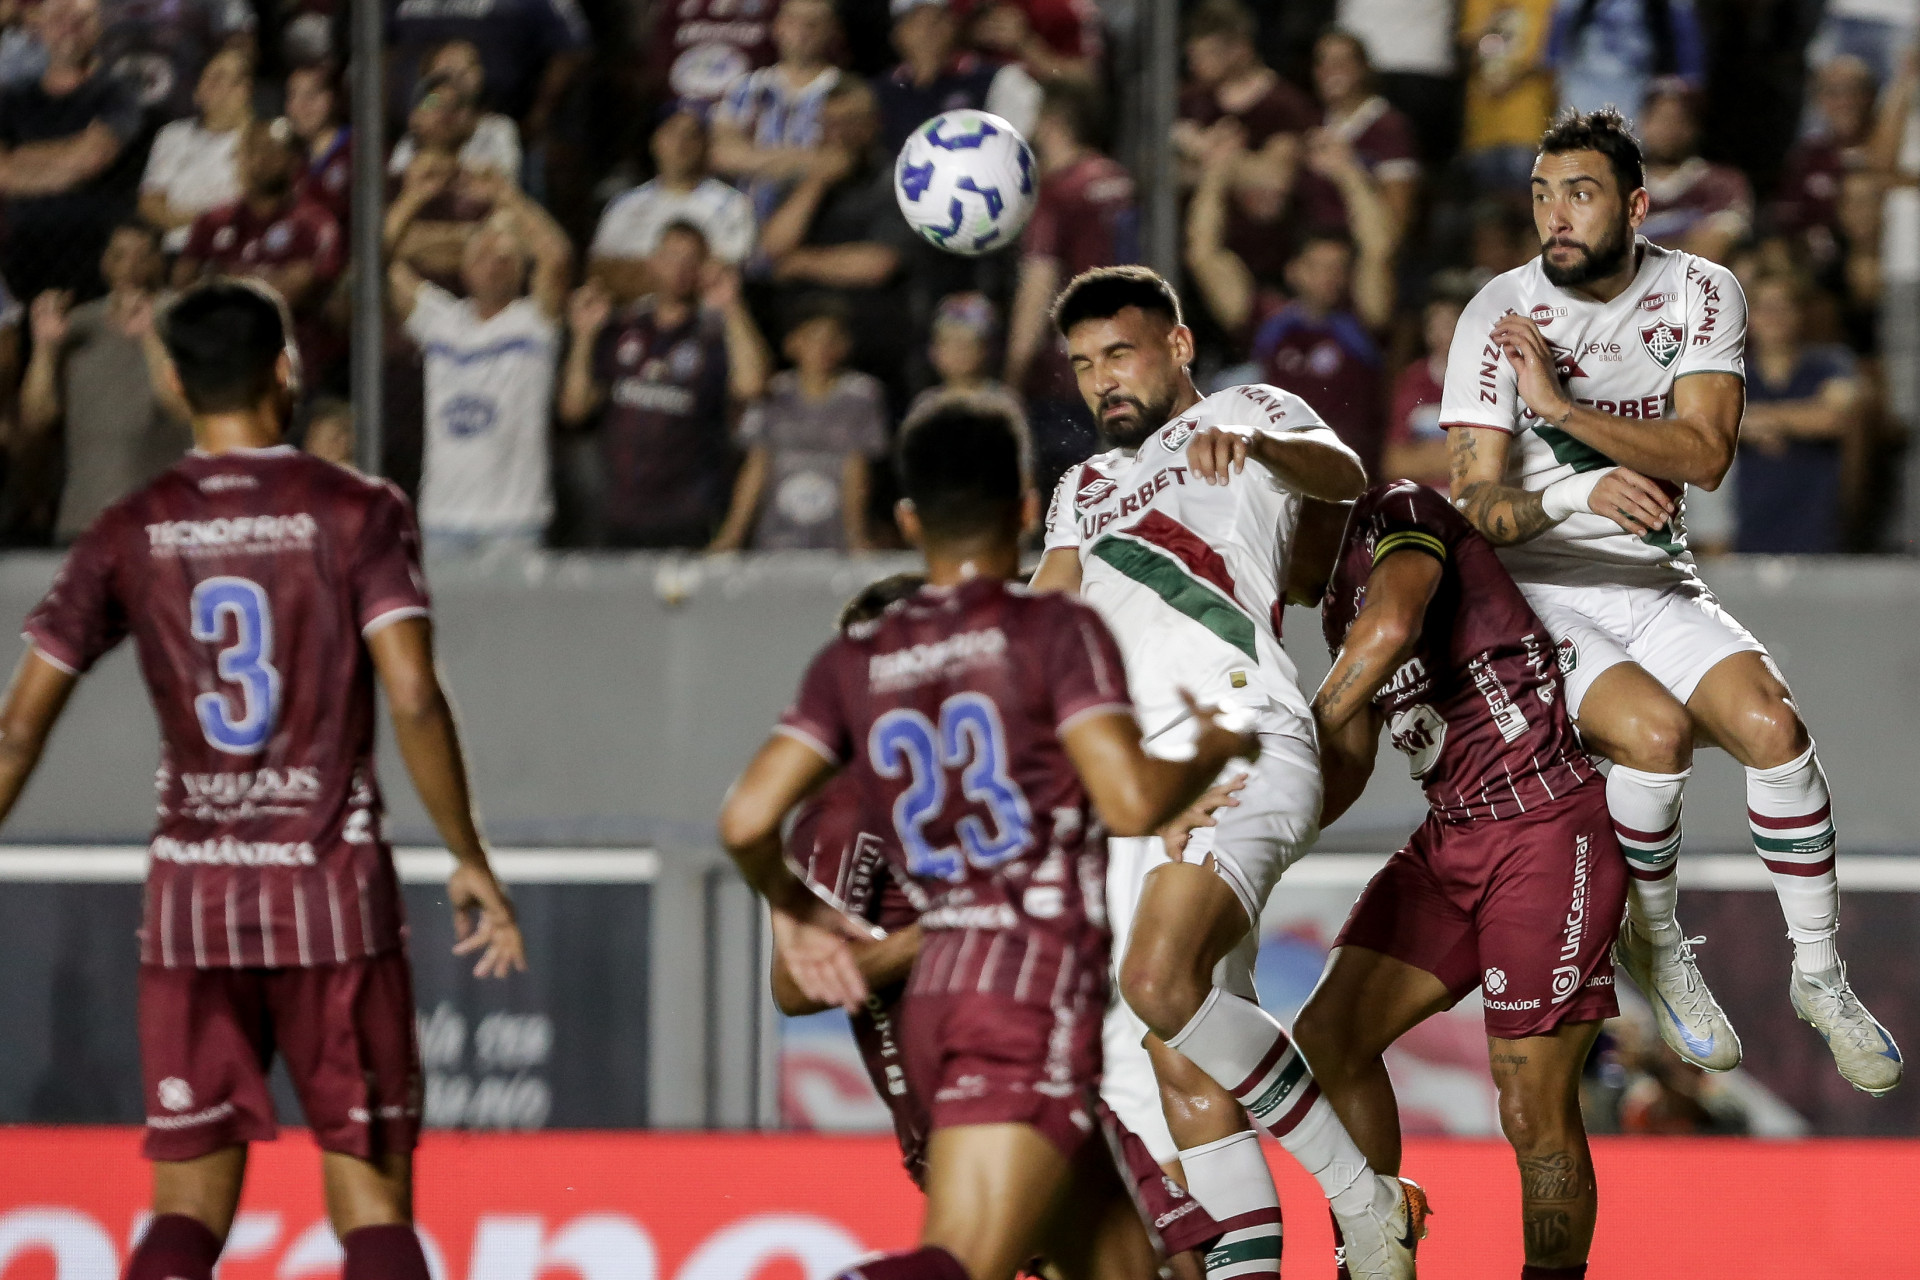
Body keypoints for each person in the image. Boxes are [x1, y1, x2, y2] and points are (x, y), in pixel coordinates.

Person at [0, 278, 525, 1280]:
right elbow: (413, 695)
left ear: (169, 381)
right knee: (372, 1202)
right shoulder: (357, 509)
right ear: (286, 370)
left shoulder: (128, 527)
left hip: (192, 903)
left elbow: (18, 726)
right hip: (332, 893)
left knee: (186, 1207)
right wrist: (468, 853)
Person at [718, 393, 1260, 1280]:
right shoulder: (1049, 628)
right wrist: (1212, 746)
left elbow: (744, 820)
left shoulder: (855, 664)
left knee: (1150, 1267)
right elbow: (1128, 799)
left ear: (907, 519)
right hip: (1025, 988)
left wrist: (792, 909)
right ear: (1023, 507)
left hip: (945, 1007)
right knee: (966, 1263)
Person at [1439, 108, 1900, 1095]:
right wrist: (1575, 492)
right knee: (1654, 735)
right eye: (1542, 194)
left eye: (1580, 193)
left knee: (1774, 727)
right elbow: (1472, 503)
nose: (1556, 215)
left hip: (1655, 577)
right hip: (1538, 595)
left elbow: (1705, 451)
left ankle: (1820, 978)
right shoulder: (1497, 311)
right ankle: (1657, 944)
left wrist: (1560, 409)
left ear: (1638, 206)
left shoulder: (1700, 289)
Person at [1027, 266, 1426, 1280]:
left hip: (1241, 736)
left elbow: (1344, 474)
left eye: (1120, 353)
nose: (1101, 379)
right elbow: (1042, 615)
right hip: (1145, 791)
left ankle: (1365, 1198)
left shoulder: (1250, 411)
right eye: (1083, 364)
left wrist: (1258, 444)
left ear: (1177, 346)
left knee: (1160, 981)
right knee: (1180, 1054)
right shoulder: (1082, 488)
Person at [1292, 480, 1627, 1280]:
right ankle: (1376, 1250)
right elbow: (1348, 763)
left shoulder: (1396, 511)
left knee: (1531, 1106)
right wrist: (1263, 831)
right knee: (1330, 1035)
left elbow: (1394, 625)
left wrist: (1295, 733)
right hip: (1452, 832)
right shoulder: (1337, 608)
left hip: (1545, 821)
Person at [558, 222, 771, 548]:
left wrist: (731, 305)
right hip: (618, 513)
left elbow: (752, 386)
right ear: (652, 262)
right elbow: (574, 409)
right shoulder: (621, 329)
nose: (680, 269)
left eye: (691, 260)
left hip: (689, 514)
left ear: (703, 269)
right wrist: (584, 338)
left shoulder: (714, 336)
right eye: (671, 257)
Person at [389, 179, 572, 556]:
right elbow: (376, 261)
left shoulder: (534, 322)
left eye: (504, 257)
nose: (492, 266)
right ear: (464, 267)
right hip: (442, 518)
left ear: (520, 269)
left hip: (514, 523)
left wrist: (507, 196)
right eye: (482, 255)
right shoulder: (440, 320)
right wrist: (415, 196)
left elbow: (557, 256)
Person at [1005, 79, 1138, 497]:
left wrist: (1013, 373)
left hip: (1069, 374)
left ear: (1052, 122)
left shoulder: (1057, 193)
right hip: (1131, 358)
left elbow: (1038, 285)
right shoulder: (1119, 179)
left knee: (1070, 500)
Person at [18, 222, 190, 540]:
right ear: (104, 263)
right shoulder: (78, 325)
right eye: (120, 256)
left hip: (162, 521)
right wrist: (44, 348)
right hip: (83, 518)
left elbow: (187, 411)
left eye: (143, 256)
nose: (130, 267)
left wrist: (150, 336)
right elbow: (37, 418)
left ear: (160, 262)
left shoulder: (184, 318)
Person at [760, 76, 917, 393]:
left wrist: (799, 263)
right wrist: (816, 183)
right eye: (829, 124)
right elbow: (773, 246)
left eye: (850, 122)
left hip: (870, 340)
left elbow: (878, 264)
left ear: (874, 125)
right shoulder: (804, 179)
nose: (839, 134)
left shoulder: (897, 181)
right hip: (800, 344)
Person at [176, 118, 346, 393]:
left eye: (271, 150)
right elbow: (183, 285)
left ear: (293, 161)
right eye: (251, 151)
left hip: (291, 366)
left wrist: (217, 276)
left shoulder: (315, 222)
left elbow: (284, 295)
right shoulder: (212, 221)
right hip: (219, 364)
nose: (260, 160)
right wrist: (264, 278)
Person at [710, 301, 887, 552]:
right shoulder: (773, 394)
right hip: (776, 538)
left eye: (831, 339)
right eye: (812, 338)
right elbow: (757, 465)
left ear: (845, 345)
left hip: (835, 540)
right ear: (792, 343)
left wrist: (856, 538)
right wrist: (732, 536)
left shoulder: (861, 396)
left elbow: (857, 468)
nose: (821, 348)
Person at [0, 0, 143, 303]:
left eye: (81, 19)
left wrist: (20, 157)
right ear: (37, 26)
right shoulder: (11, 99)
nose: (70, 28)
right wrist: (69, 159)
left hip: (100, 258)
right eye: (59, 18)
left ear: (98, 26)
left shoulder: (119, 91)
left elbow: (91, 159)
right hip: (22, 257)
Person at [1733, 272, 1866, 554]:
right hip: (1752, 528)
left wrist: (1753, 420)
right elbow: (1708, 422)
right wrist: (1797, 420)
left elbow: (1834, 417)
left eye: (1784, 307)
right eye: (1765, 308)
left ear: (1800, 313)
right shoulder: (1734, 372)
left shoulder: (1830, 362)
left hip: (1818, 527)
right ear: (1749, 316)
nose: (1774, 317)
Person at [1246, 233, 1394, 479]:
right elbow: (1205, 258)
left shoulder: (1364, 327)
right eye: (1318, 267)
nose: (1328, 276)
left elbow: (1378, 250)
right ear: (1293, 271)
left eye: (1338, 267)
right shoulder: (1272, 327)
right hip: (1283, 472)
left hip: (1348, 474)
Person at [590, 109, 757, 302]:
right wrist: (679, 274)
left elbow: (723, 274)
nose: (680, 143)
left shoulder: (732, 205)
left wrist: (634, 272)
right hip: (629, 315)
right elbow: (598, 273)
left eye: (691, 135)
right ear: (655, 140)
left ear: (705, 145)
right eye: (672, 133)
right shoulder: (625, 204)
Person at [710, 0, 843, 233]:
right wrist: (803, 160)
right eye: (793, 21)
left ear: (831, 31)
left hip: (816, 225)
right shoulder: (746, 87)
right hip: (743, 223)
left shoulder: (843, 90)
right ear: (778, 26)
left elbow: (836, 162)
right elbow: (722, 155)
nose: (801, 32)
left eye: (812, 24)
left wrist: (752, 157)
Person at [1296, 29, 1419, 252]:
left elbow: (1397, 221)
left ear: (1363, 68)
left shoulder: (1389, 127)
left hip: (1363, 247)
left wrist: (1347, 169)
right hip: (1313, 247)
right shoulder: (1309, 124)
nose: (1331, 71)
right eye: (1323, 63)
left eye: (1341, 62)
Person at [874, 0, 1040, 156]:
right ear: (896, 34)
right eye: (914, 21)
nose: (927, 32)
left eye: (936, 19)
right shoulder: (880, 92)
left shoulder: (999, 79)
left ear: (953, 25)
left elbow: (1015, 152)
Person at [139, 47, 252, 253]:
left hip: (234, 252)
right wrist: (207, 219)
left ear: (243, 89)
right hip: (177, 249)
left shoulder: (260, 140)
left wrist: (185, 217)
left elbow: (252, 208)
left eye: (218, 77)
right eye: (205, 77)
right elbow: (150, 203)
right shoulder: (172, 135)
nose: (207, 84)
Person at [1637, 78, 1752, 266]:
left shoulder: (1723, 184)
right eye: (1660, 119)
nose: (1668, 129)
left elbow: (1710, 252)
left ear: (1695, 127)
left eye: (1679, 120)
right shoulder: (1620, 186)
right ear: (1644, 123)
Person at [1547, 0, 1703, 121]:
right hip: (1583, 84)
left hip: (1641, 88)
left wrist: (1681, 86)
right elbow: (1554, 52)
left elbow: (1688, 54)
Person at [1383, 280, 1472, 490]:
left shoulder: (1488, 380)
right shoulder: (1412, 381)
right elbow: (1394, 463)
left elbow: (1497, 463)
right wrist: (1459, 457)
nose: (1442, 335)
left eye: (1450, 324)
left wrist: (1424, 456)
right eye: (1434, 325)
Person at [389, 44, 521, 181]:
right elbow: (398, 181)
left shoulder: (497, 129)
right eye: (437, 103)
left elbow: (504, 181)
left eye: (457, 105)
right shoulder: (411, 140)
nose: (446, 112)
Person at [286, 61, 352, 231]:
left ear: (334, 98)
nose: (300, 106)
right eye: (293, 96)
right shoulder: (292, 161)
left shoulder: (358, 150)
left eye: (311, 95)